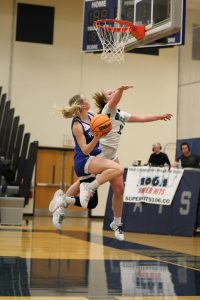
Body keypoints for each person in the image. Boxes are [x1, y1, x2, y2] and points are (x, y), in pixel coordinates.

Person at [51, 84, 173, 240]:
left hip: (112, 156)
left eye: (114, 92)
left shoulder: (121, 114)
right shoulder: (106, 111)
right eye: (111, 93)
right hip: (99, 154)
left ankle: (117, 223)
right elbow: (114, 100)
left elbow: (142, 119)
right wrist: (121, 90)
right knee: (81, 183)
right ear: (106, 100)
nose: (114, 93)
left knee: (119, 189)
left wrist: (159, 116)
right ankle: (62, 207)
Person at [49, 93, 124, 236]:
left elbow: (105, 114)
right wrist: (97, 137)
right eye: (86, 100)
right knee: (118, 169)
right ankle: (65, 205)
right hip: (85, 160)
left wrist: (109, 99)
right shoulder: (77, 125)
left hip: (95, 157)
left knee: (90, 203)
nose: (89, 101)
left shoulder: (91, 115)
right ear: (82, 105)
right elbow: (85, 150)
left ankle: (62, 200)